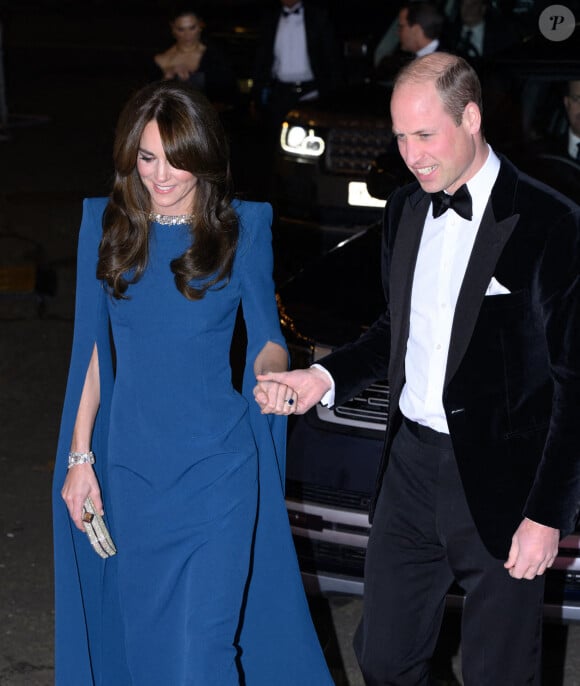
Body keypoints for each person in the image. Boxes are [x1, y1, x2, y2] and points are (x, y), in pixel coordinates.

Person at [257, 52, 580, 685]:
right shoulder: (406, 209)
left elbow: (574, 385)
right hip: (409, 470)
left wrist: (546, 515)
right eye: (401, 137)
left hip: (503, 481)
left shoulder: (550, 224)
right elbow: (392, 335)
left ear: (472, 117)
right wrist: (321, 379)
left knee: (500, 672)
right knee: (384, 658)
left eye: (425, 135)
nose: (412, 154)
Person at [52, 80, 334, 686]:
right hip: (131, 470)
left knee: (204, 653)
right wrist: (80, 458)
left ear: (202, 153)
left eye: (175, 158)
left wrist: (270, 379)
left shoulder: (243, 228)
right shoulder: (106, 226)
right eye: (147, 157)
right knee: (148, 652)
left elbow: (267, 338)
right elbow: (92, 354)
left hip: (217, 471)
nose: (161, 174)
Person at [252, 0, 343, 128]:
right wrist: (258, 91)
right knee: (277, 137)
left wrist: (332, 92)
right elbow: (262, 57)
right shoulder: (270, 19)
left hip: (311, 93)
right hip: (280, 94)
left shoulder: (318, 17)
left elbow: (331, 56)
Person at [153, 6, 237, 103]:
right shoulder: (162, 59)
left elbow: (230, 92)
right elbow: (151, 101)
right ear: (173, 28)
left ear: (200, 26)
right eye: (181, 29)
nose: (187, 35)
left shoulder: (216, 56)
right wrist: (168, 77)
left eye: (192, 28)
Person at [375, 2, 445, 81]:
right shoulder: (397, 61)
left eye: (401, 27)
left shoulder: (450, 65)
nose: (398, 33)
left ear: (416, 30)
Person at [442, 0, 519, 63]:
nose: (468, 8)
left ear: (483, 8)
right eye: (464, 4)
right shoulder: (448, 34)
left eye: (473, 4)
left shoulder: (501, 35)